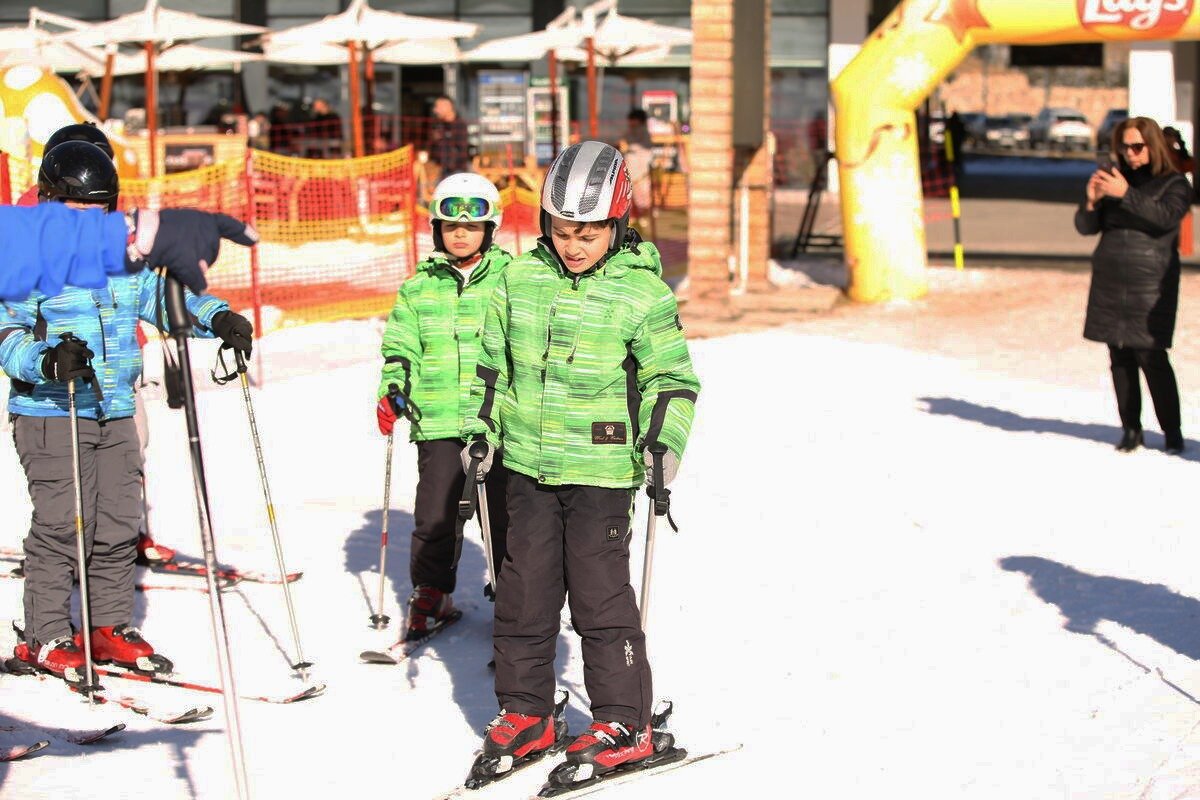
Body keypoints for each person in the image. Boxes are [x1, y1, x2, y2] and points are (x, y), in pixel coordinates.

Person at [461, 141, 700, 786]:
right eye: (562, 231)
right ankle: (528, 711)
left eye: (589, 233)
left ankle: (624, 719)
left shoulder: (643, 293)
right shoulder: (516, 280)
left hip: (600, 472)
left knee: (599, 598)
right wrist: (481, 429)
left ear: (617, 225)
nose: (573, 245)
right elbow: (488, 366)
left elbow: (672, 380)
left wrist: (661, 444)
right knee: (523, 593)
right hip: (527, 468)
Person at [0, 141, 255, 684]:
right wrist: (46, 359)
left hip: (114, 410)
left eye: (98, 209)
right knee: (64, 525)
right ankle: (45, 635)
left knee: (117, 522)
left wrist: (219, 318)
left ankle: (107, 626)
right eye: (75, 208)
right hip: (51, 412)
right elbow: (6, 333)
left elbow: (163, 298)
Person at [375, 172, 512, 641]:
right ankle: (432, 591)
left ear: (489, 230)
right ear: (436, 229)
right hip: (436, 417)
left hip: (499, 422)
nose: (460, 234)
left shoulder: (512, 280)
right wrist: (394, 385)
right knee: (436, 514)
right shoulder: (418, 288)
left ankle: (517, 600)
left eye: (472, 227)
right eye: (451, 226)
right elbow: (400, 345)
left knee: (506, 512)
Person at [1076, 116, 1191, 455]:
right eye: (1123, 147)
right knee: (1118, 353)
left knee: (1151, 354)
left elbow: (1164, 218)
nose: (1129, 154)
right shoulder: (1115, 179)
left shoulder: (1175, 183)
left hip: (1151, 280)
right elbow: (1086, 227)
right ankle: (1130, 429)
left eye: (1137, 146)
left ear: (1152, 145)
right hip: (1111, 277)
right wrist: (1092, 201)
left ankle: (1172, 431)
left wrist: (1125, 194)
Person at [623, 109, 654, 223]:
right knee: (634, 192)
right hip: (633, 167)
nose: (630, 122)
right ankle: (637, 216)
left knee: (643, 192)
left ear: (639, 120)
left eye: (632, 120)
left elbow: (643, 149)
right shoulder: (632, 131)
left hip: (640, 167)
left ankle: (643, 215)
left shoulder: (643, 131)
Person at [428, 96, 471, 176]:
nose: (435, 110)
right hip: (442, 171)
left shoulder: (460, 125)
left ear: (447, 106)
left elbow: (461, 153)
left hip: (456, 172)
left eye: (437, 107)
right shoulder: (439, 126)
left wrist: (449, 167)